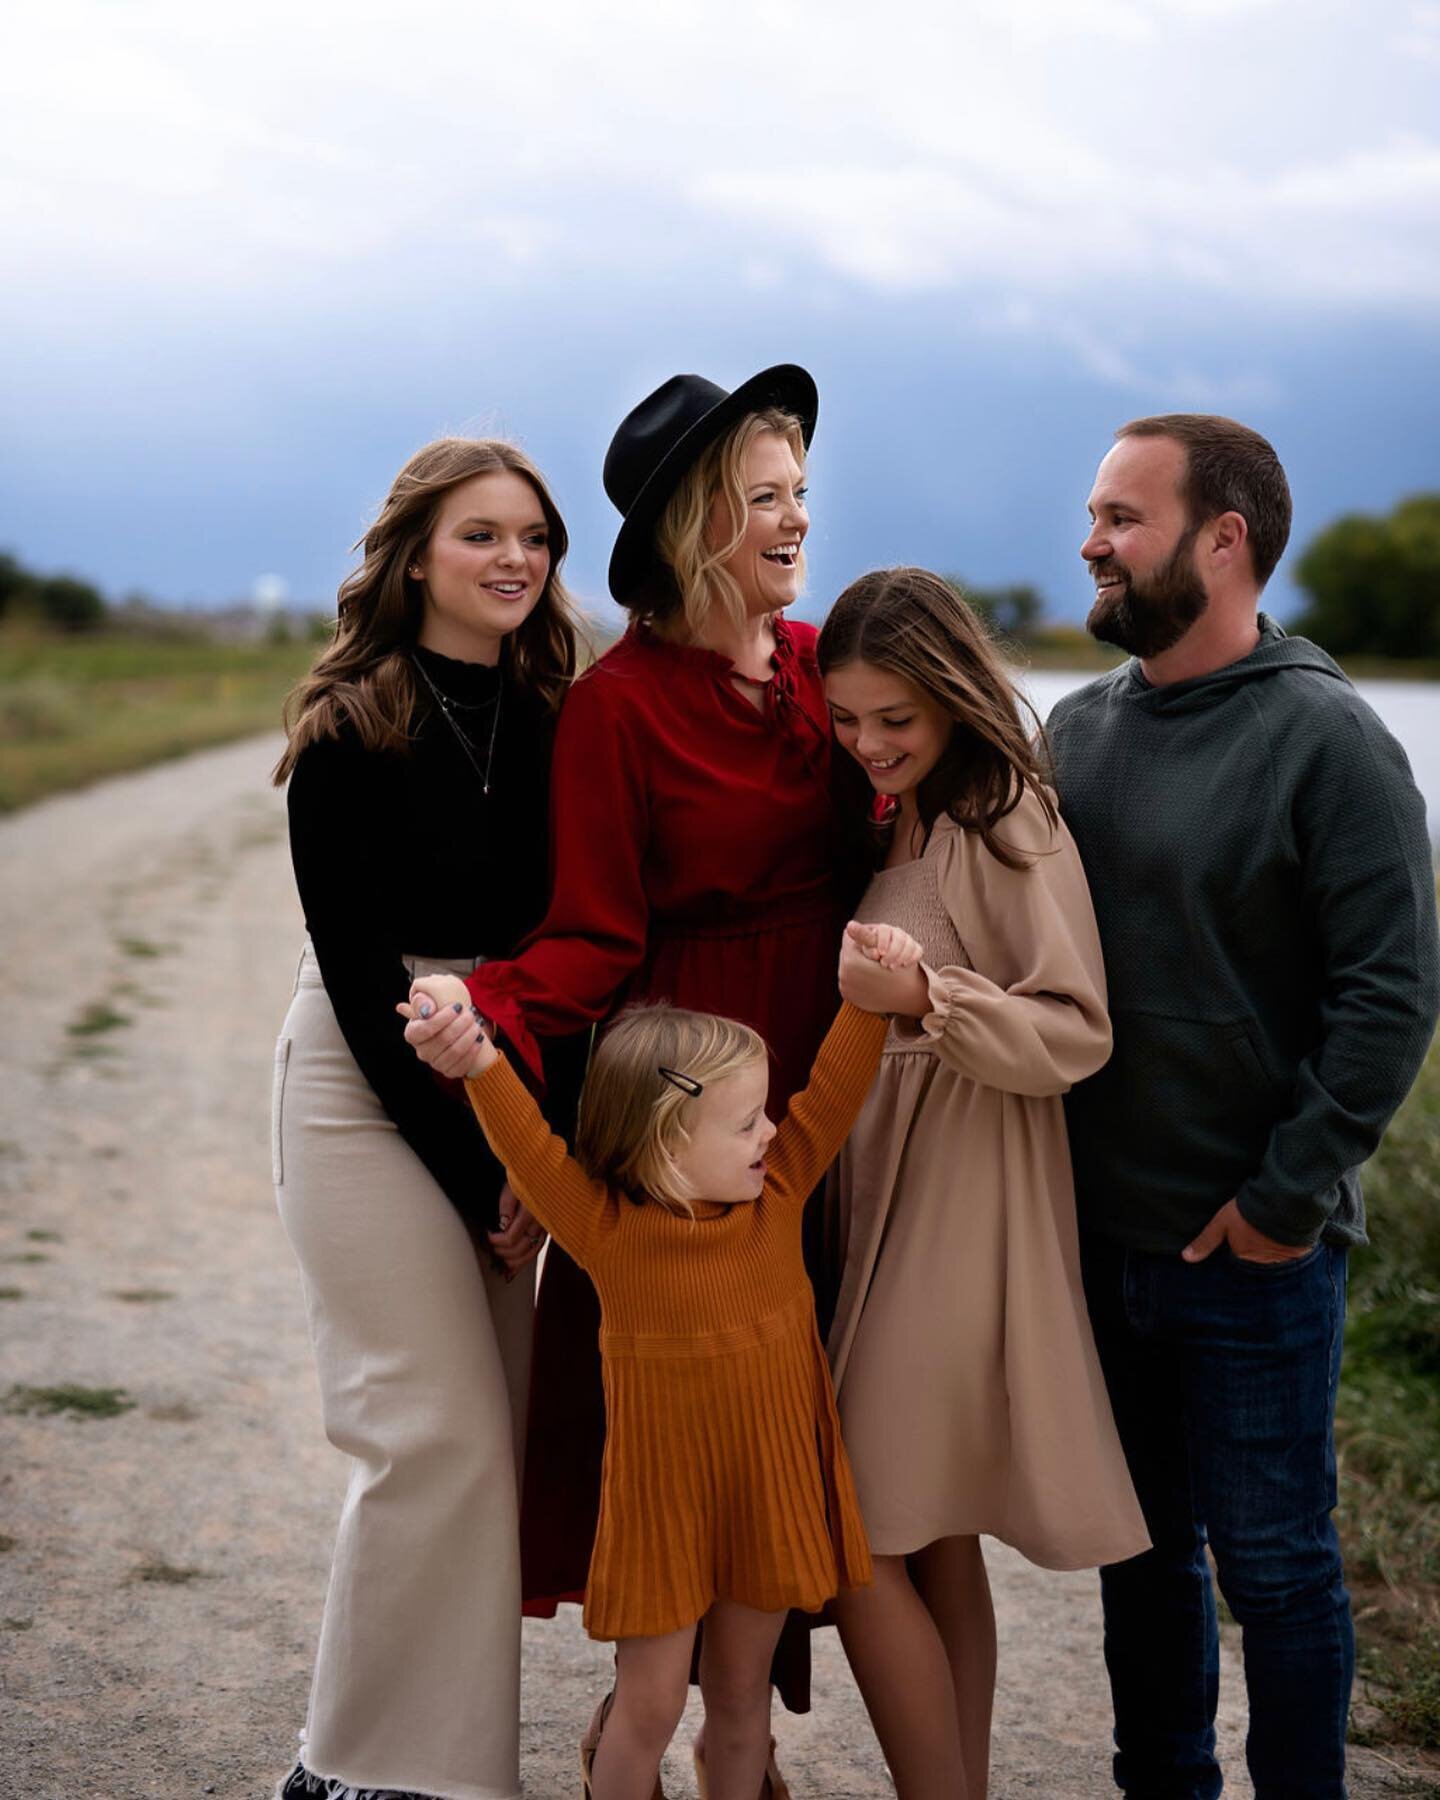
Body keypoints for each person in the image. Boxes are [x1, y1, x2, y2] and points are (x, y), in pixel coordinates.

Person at [406, 366, 844, 1761]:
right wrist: (490, 1021)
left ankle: (742, 1734)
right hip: (682, 1098)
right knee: (670, 1427)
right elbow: (591, 938)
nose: (792, 523)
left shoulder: (831, 665)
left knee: (793, 1417)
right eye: (763, 500)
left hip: (828, 1083)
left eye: (798, 497)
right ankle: (651, 1734)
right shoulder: (618, 707)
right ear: (693, 527)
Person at [1047, 413, 1440, 1800]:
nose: (1090, 542)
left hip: (1253, 1257)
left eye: (1122, 518)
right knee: (1141, 1558)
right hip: (1103, 1246)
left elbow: (1391, 996)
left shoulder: (1327, 740)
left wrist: (1281, 1204)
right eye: (1094, 515)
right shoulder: (1076, 734)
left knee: (1276, 1568)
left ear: (1226, 540)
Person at [399, 922, 923, 1800]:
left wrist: (875, 985)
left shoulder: (781, 1190)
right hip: (660, 1518)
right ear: (667, 1145)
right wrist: (479, 1062)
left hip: (766, 1498)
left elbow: (836, 1087)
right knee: (645, 1706)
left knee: (740, 1693)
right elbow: (530, 1144)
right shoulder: (608, 1233)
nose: (770, 1131)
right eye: (746, 1121)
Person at [269, 438, 582, 1800]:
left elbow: (576, 944)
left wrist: (537, 1150)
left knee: (486, 1438)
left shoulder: (567, 716)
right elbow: (354, 976)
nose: (514, 559)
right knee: (431, 1428)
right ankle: (391, 1778)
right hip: (364, 1080)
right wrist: (484, 1176)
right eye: (480, 535)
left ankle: (359, 1766)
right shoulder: (350, 724)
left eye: (534, 537)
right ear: (412, 554)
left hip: (508, 1077)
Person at [816, 567, 1149, 1800]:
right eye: (848, 721)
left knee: (853, 1525)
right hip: (885, 1188)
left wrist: (926, 1000)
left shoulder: (1010, 813)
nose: (869, 744)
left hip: (968, 1197)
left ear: (953, 692)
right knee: (936, 1532)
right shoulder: (904, 811)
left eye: (893, 718)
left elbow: (1075, 1030)